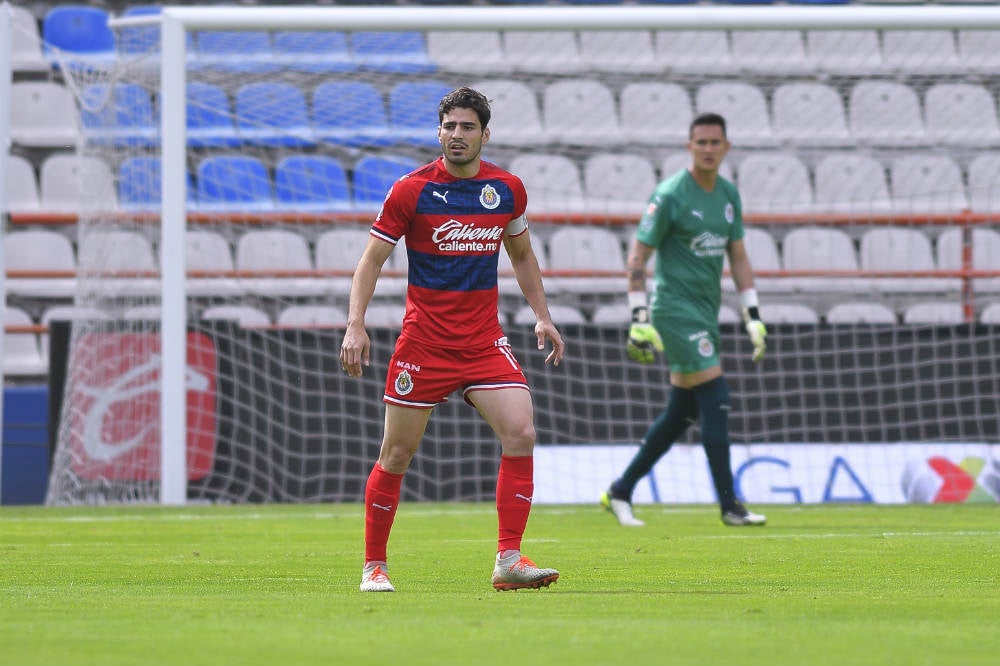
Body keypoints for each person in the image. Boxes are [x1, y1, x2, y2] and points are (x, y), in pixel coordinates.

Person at [340, 87, 565, 592]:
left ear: (486, 134)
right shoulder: (411, 190)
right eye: (448, 127)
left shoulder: (507, 189)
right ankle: (374, 565)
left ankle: (508, 559)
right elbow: (371, 261)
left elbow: (523, 256)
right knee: (396, 454)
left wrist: (542, 316)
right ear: (438, 132)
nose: (456, 135)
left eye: (466, 127)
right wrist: (356, 322)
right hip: (424, 344)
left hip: (484, 341)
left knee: (522, 432)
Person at [600, 112, 768, 528]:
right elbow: (638, 257)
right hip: (673, 311)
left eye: (715, 142)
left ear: (726, 147)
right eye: (701, 142)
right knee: (716, 391)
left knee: (681, 413)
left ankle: (620, 490)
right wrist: (639, 314)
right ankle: (730, 505)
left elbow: (739, 256)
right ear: (689, 146)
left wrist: (753, 314)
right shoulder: (672, 194)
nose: (708, 149)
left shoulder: (728, 195)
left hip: (707, 312)